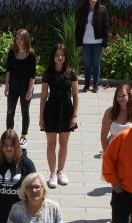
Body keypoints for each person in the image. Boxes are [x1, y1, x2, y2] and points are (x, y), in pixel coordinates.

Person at [39, 43, 79, 188]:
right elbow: (43, 97)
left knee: (63, 143)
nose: (60, 57)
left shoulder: (71, 73)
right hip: (51, 111)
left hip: (67, 111)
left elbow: (76, 95)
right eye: (57, 55)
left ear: (65, 57)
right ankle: (52, 174)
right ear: (53, 57)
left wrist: (75, 115)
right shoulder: (47, 73)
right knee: (51, 144)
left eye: (62, 55)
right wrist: (41, 117)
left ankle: (61, 171)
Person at [4, 29, 37, 145]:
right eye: (17, 39)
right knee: (10, 111)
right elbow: (8, 70)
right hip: (13, 86)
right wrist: (6, 86)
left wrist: (29, 91)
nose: (19, 41)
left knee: (25, 111)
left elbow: (33, 75)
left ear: (26, 39)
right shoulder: (11, 52)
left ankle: (23, 135)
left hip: (25, 87)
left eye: (21, 39)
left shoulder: (31, 54)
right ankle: (9, 134)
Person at [76, 0, 109, 93]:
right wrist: (79, 43)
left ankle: (95, 85)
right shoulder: (81, 10)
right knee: (87, 64)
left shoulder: (102, 9)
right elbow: (78, 27)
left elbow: (106, 27)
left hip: (98, 42)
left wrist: (104, 43)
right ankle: (86, 85)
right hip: (85, 42)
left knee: (96, 64)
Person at [100, 84, 132, 156]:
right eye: (118, 96)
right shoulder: (110, 112)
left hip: (131, 152)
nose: (120, 99)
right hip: (113, 151)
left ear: (129, 96)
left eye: (123, 96)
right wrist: (107, 154)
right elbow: (103, 136)